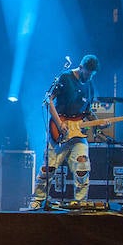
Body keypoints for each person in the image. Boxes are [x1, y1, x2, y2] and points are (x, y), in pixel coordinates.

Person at [28, 54, 99, 209]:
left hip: (78, 133)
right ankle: (38, 199)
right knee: (49, 167)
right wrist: (59, 124)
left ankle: (80, 201)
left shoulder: (90, 85)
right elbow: (48, 100)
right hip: (59, 130)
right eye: (87, 73)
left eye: (91, 75)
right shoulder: (65, 78)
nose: (88, 77)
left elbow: (88, 111)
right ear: (81, 68)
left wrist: (99, 121)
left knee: (82, 164)